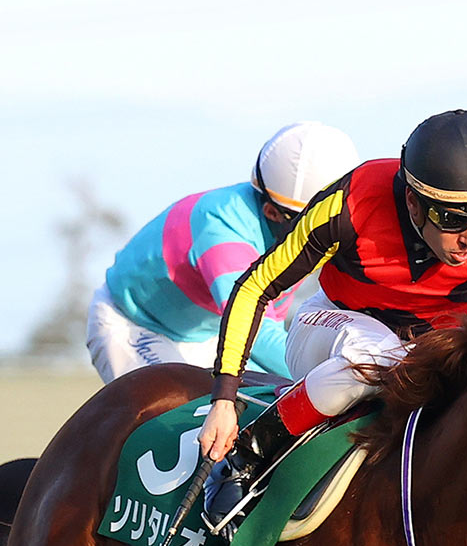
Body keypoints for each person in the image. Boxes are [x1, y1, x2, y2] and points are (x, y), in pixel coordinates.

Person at [200, 109, 467, 532]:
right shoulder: (351, 202)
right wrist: (223, 398)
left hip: (430, 346)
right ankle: (248, 455)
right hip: (330, 325)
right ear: (413, 202)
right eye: (453, 220)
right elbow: (255, 286)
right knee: (384, 359)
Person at [85, 122, 360, 384]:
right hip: (134, 327)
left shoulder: (292, 228)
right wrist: (344, 376)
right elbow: (256, 332)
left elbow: (273, 328)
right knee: (191, 416)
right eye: (314, 222)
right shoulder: (222, 228)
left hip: (209, 334)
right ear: (272, 212)